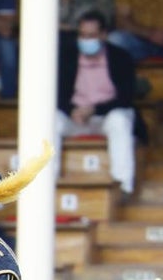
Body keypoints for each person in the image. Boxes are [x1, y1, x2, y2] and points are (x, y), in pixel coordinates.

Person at [57, 10, 142, 195]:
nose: (86, 40)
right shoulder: (67, 56)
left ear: (103, 35)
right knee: (50, 121)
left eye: (92, 35)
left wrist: (94, 109)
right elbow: (57, 94)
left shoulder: (120, 57)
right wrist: (72, 110)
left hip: (106, 116)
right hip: (75, 117)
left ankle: (122, 187)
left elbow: (126, 97)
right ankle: (47, 182)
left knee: (120, 120)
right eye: (83, 35)